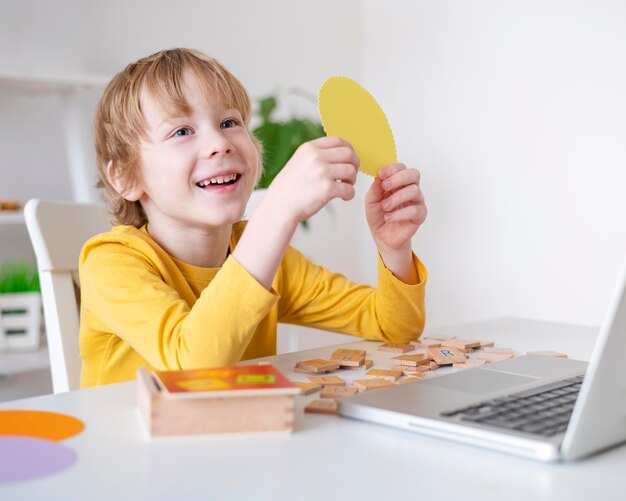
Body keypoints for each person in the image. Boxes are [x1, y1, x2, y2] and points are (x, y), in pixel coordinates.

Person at [79, 48, 428, 388]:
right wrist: (277, 209)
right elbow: (193, 366)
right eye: (182, 131)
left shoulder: (271, 261)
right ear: (125, 176)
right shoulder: (110, 262)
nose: (220, 142)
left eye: (229, 122)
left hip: (240, 439)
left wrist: (393, 249)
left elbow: (393, 328)